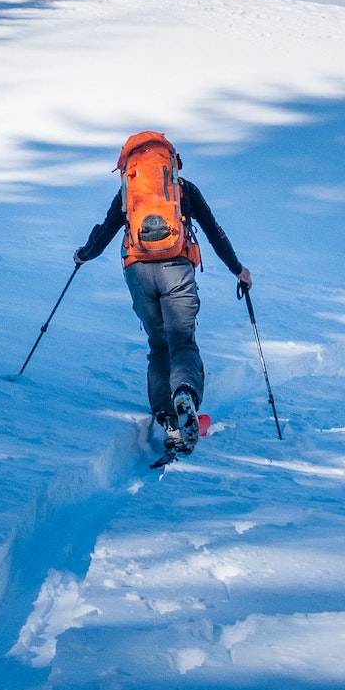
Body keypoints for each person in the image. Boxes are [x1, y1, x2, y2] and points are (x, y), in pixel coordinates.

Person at [75, 130, 251, 458]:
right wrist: (238, 269)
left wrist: (83, 255)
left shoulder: (129, 195)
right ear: (171, 162)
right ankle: (184, 395)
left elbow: (104, 232)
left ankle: (168, 419)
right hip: (177, 267)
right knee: (181, 342)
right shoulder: (183, 190)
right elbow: (215, 232)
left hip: (138, 272)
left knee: (159, 346)